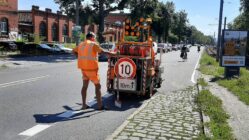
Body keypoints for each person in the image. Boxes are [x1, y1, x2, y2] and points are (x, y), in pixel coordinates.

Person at [73, 32, 116, 110]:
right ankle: (100, 106)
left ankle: (84, 105)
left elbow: (73, 51)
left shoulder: (81, 44)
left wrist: (79, 58)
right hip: (92, 69)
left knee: (84, 86)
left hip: (84, 69)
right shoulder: (93, 44)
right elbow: (103, 52)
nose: (95, 39)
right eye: (94, 37)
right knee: (98, 86)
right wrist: (114, 53)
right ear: (92, 37)